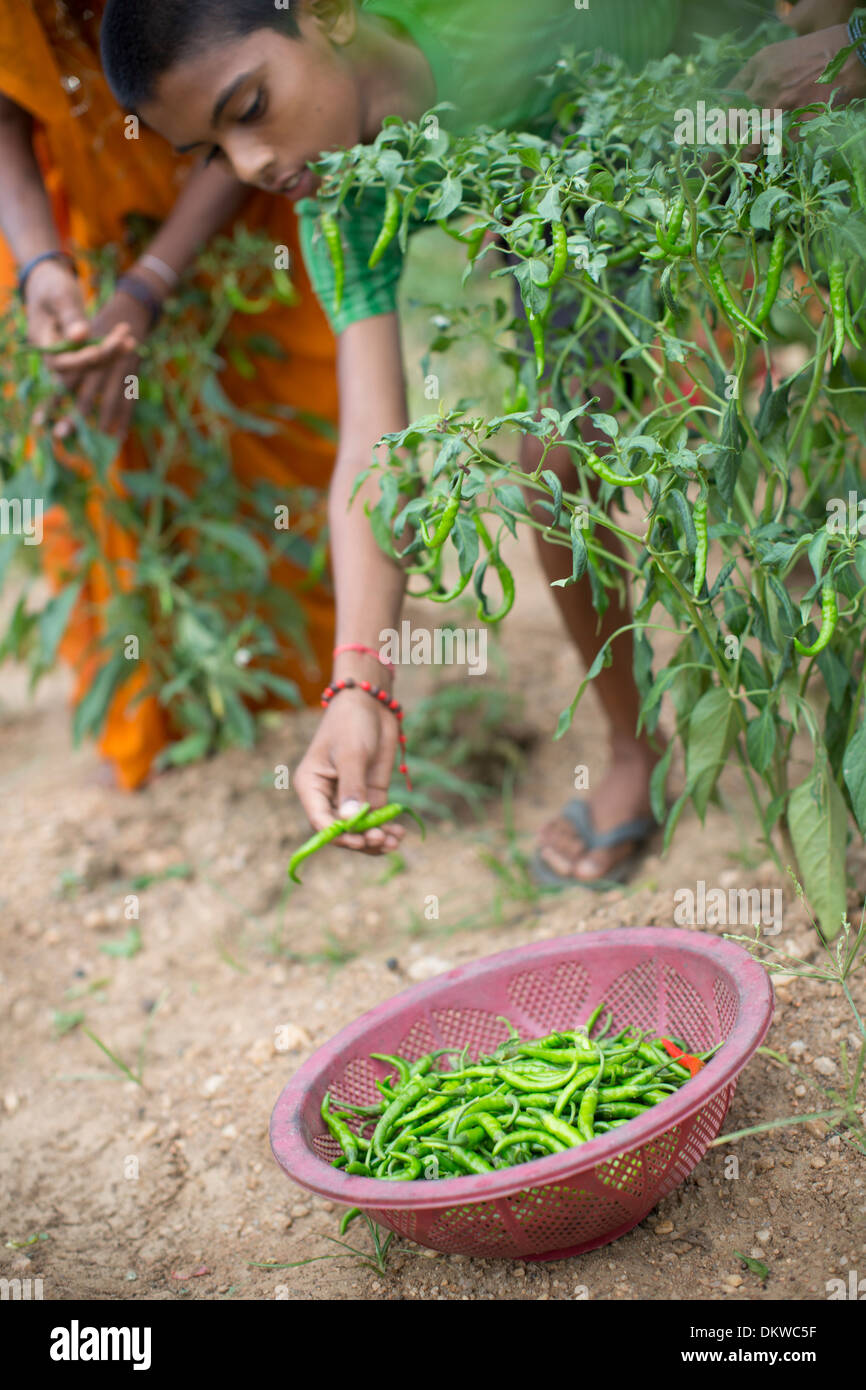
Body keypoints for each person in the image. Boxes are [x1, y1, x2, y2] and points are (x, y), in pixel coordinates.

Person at [99, 0, 866, 870]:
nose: (250, 164)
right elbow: (372, 451)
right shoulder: (339, 205)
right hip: (573, 220)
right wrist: (359, 684)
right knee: (550, 470)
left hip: (717, 95)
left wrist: (842, 39)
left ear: (330, 15)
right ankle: (631, 747)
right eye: (210, 151)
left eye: (247, 110)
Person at [0, 0, 339, 790]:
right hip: (66, 207)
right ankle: (163, 742)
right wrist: (40, 265)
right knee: (103, 469)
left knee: (268, 438)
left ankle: (304, 711)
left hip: (234, 204)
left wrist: (149, 284)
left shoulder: (243, 127)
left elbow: (240, 105)